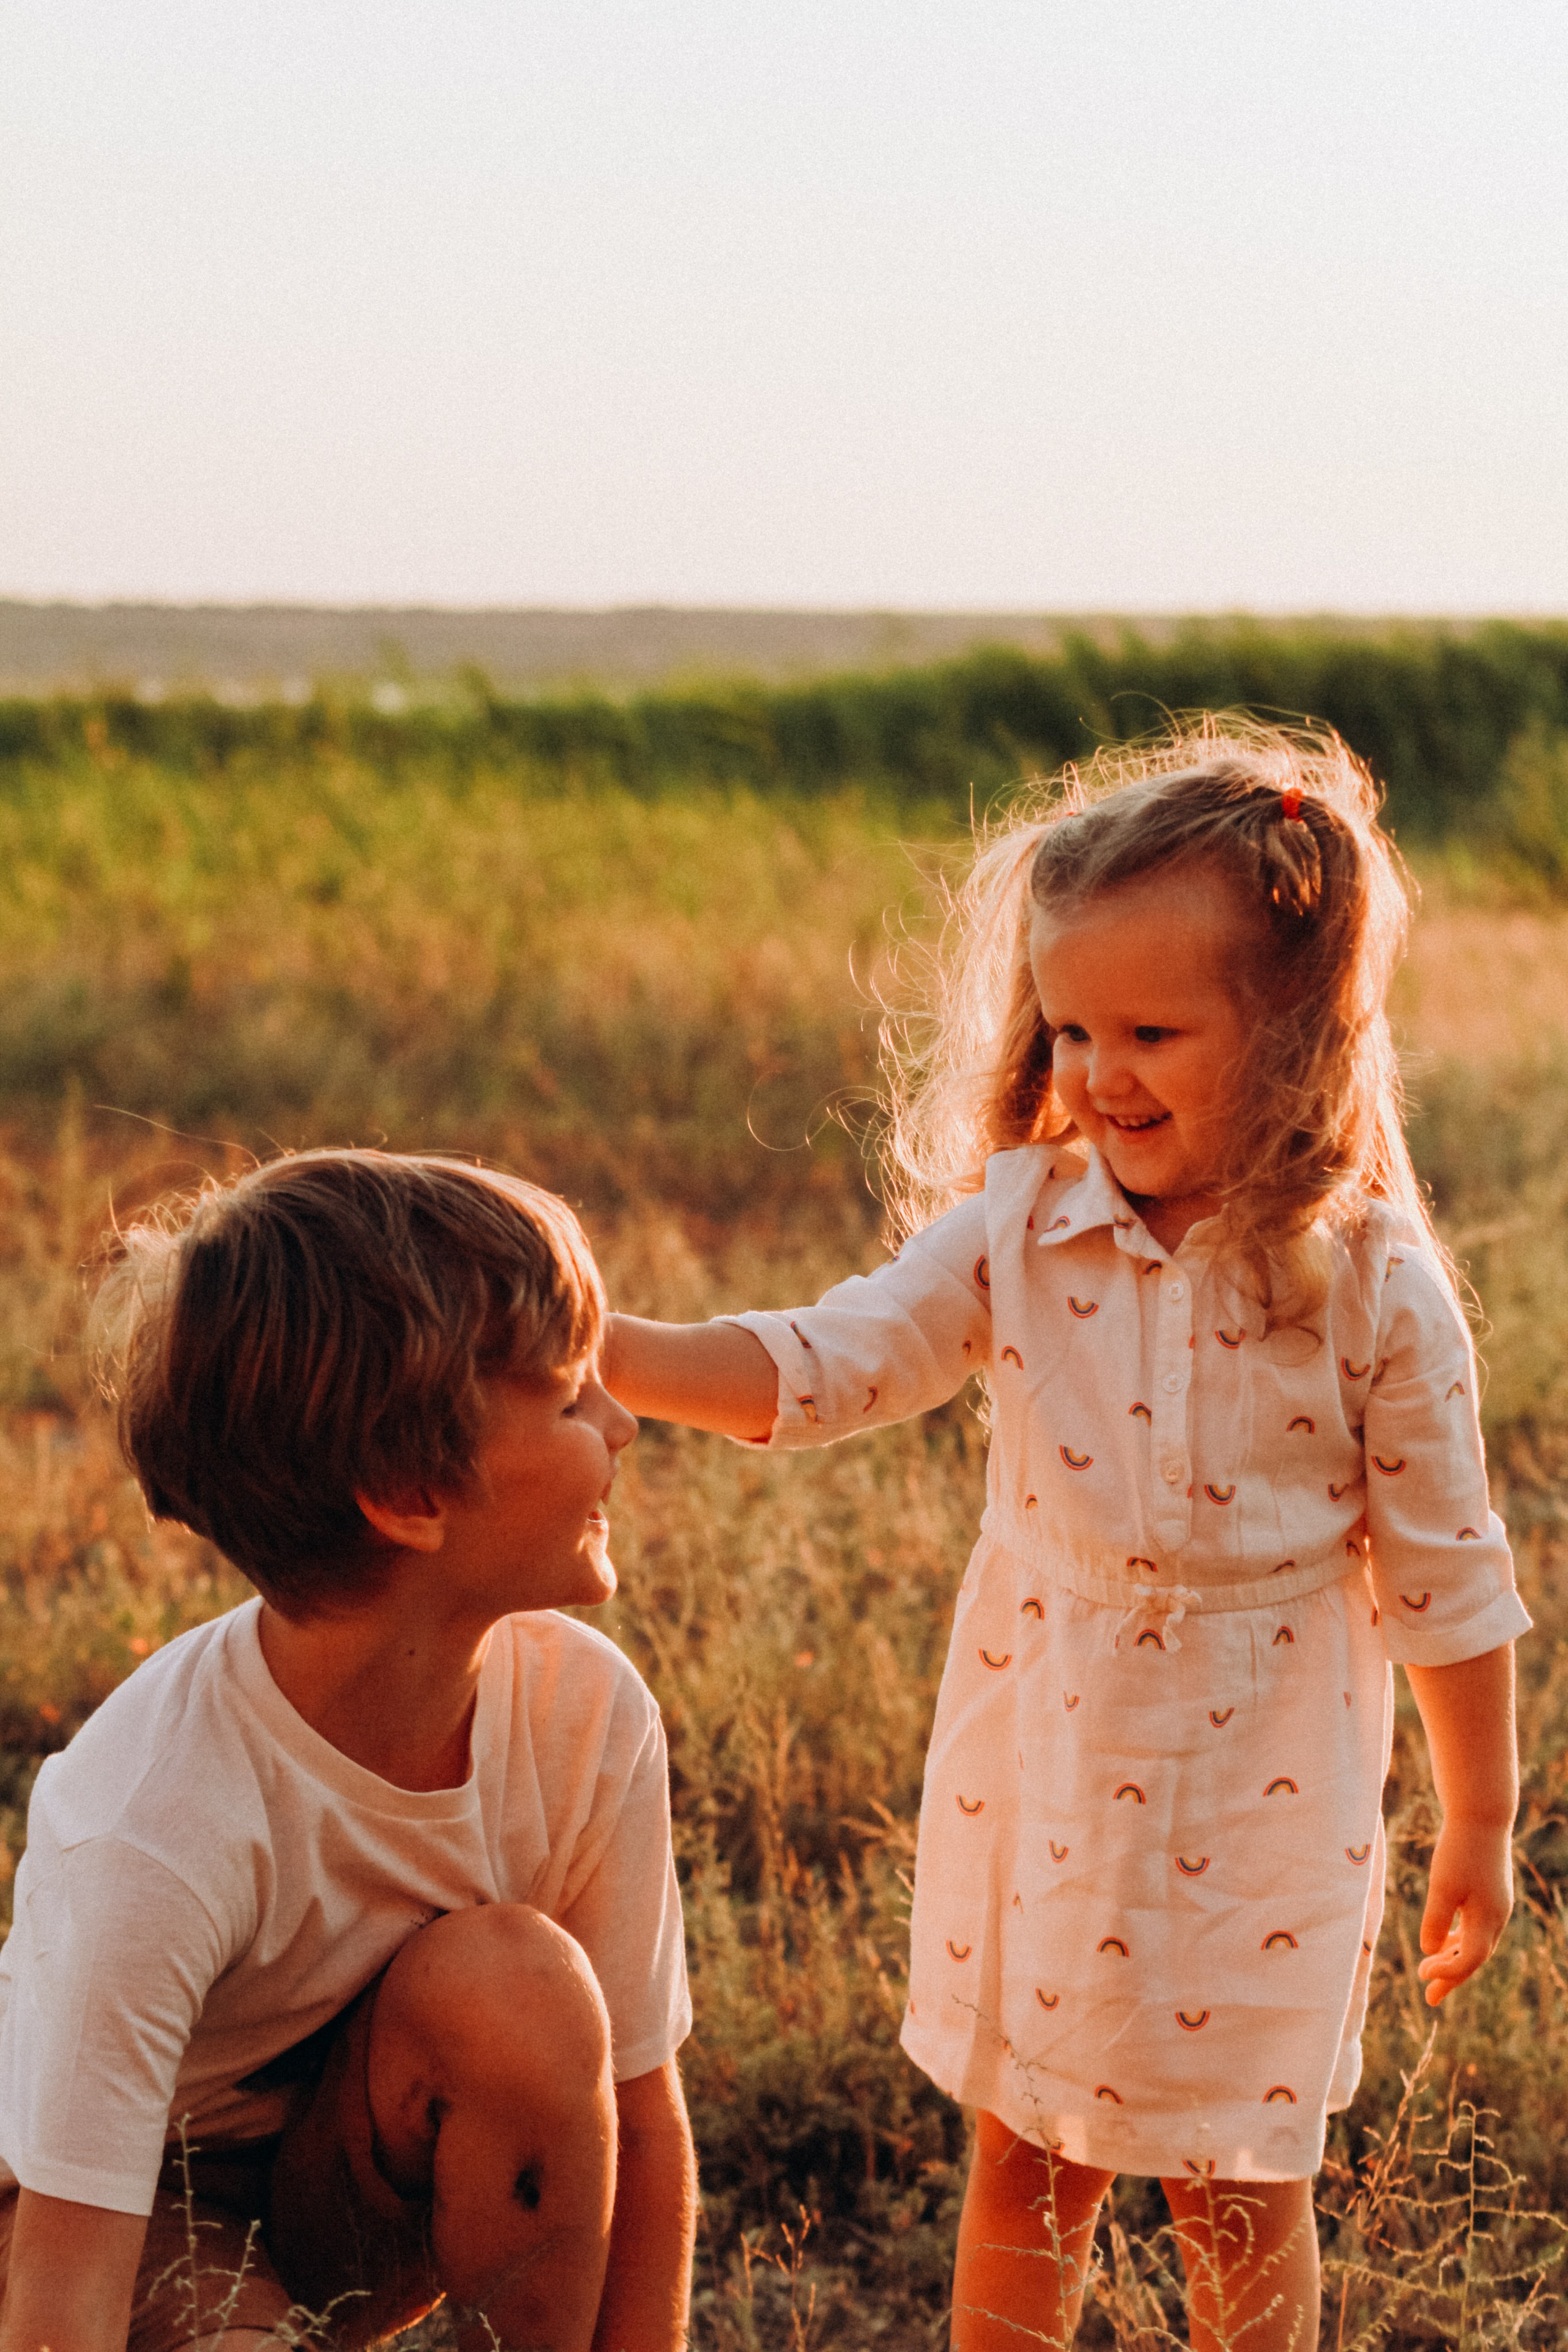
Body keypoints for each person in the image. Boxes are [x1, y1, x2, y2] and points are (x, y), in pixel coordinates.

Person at [606, 722, 1528, 2352]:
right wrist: (599, 1345)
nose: (1102, 1072)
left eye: (1154, 1030)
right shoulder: (1026, 1227)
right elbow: (830, 1364)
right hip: (1046, 1763)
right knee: (1025, 2164)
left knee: (1238, 2191)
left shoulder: (1371, 1284)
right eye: (1076, 1026)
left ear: (1300, 1026)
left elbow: (1449, 1577)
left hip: (1268, 1796)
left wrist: (1480, 1817)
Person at [0, 1151, 696, 2352]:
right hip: (103, 2211)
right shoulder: (152, 1827)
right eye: (575, 1397)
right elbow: (61, 2301)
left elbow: (641, 2128)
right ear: (409, 1491)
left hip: (335, 2170)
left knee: (516, 1985)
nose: (623, 1426)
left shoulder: (588, 1713)